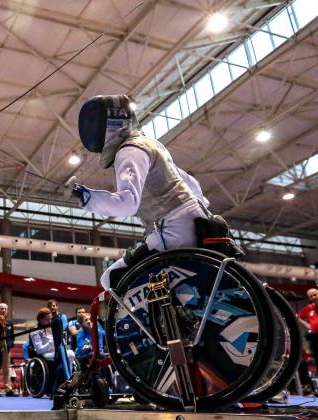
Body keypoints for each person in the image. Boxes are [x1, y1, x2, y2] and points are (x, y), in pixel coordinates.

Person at [66, 95, 210, 290]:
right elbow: (193, 185)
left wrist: (87, 197)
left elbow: (128, 203)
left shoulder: (129, 151)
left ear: (106, 125)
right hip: (195, 223)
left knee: (111, 278)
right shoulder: (151, 145)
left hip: (173, 230)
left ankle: (160, 319)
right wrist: (199, 214)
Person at [0, 302, 18, 396]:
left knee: (6, 368)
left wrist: (10, 345)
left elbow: (12, 336)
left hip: (7, 348)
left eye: (5, 309)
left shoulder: (9, 323)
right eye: (1, 308)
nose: (3, 310)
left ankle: (7, 387)